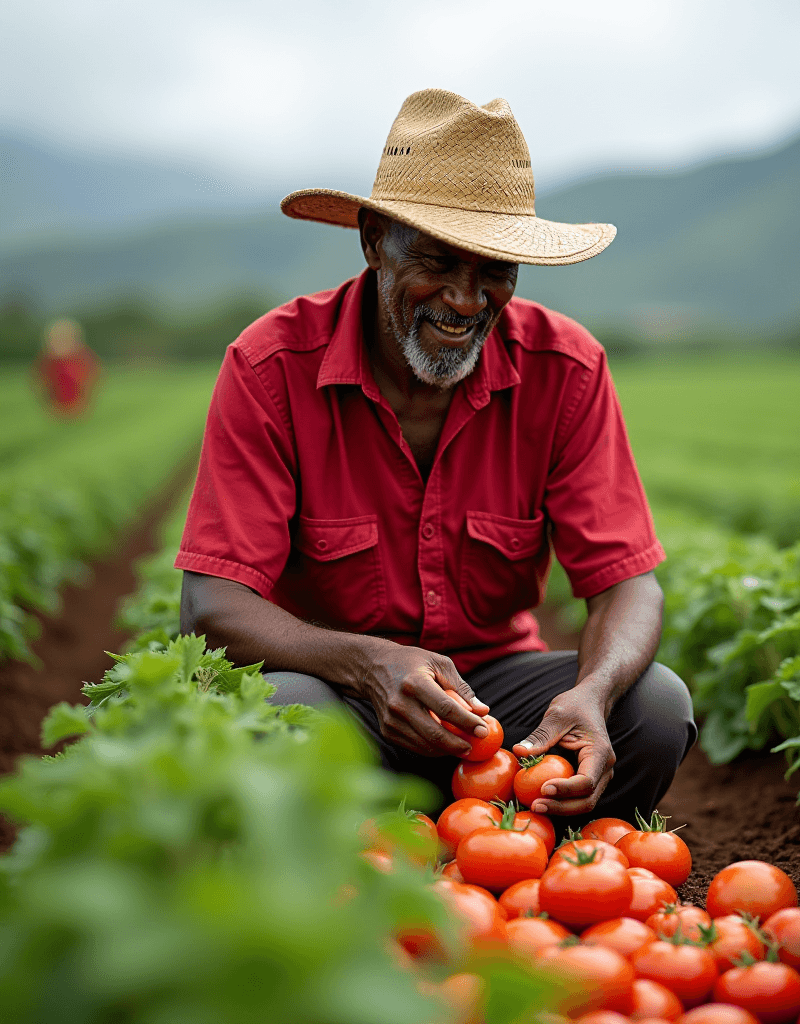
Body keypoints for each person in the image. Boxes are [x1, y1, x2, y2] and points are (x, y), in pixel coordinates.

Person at [176, 89, 696, 829]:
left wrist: (594, 691)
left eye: (494, 271)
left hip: (496, 698)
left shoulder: (565, 367)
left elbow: (627, 586)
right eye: (435, 262)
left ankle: (517, 848)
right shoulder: (272, 367)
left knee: (654, 707)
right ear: (372, 241)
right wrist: (366, 663)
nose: (465, 298)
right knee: (279, 715)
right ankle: (365, 850)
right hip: (339, 693)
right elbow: (211, 605)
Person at [34, 318, 100, 417]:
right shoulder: (47, 360)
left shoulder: (83, 357)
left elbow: (91, 380)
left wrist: (83, 404)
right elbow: (40, 383)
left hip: (77, 407)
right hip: (57, 407)